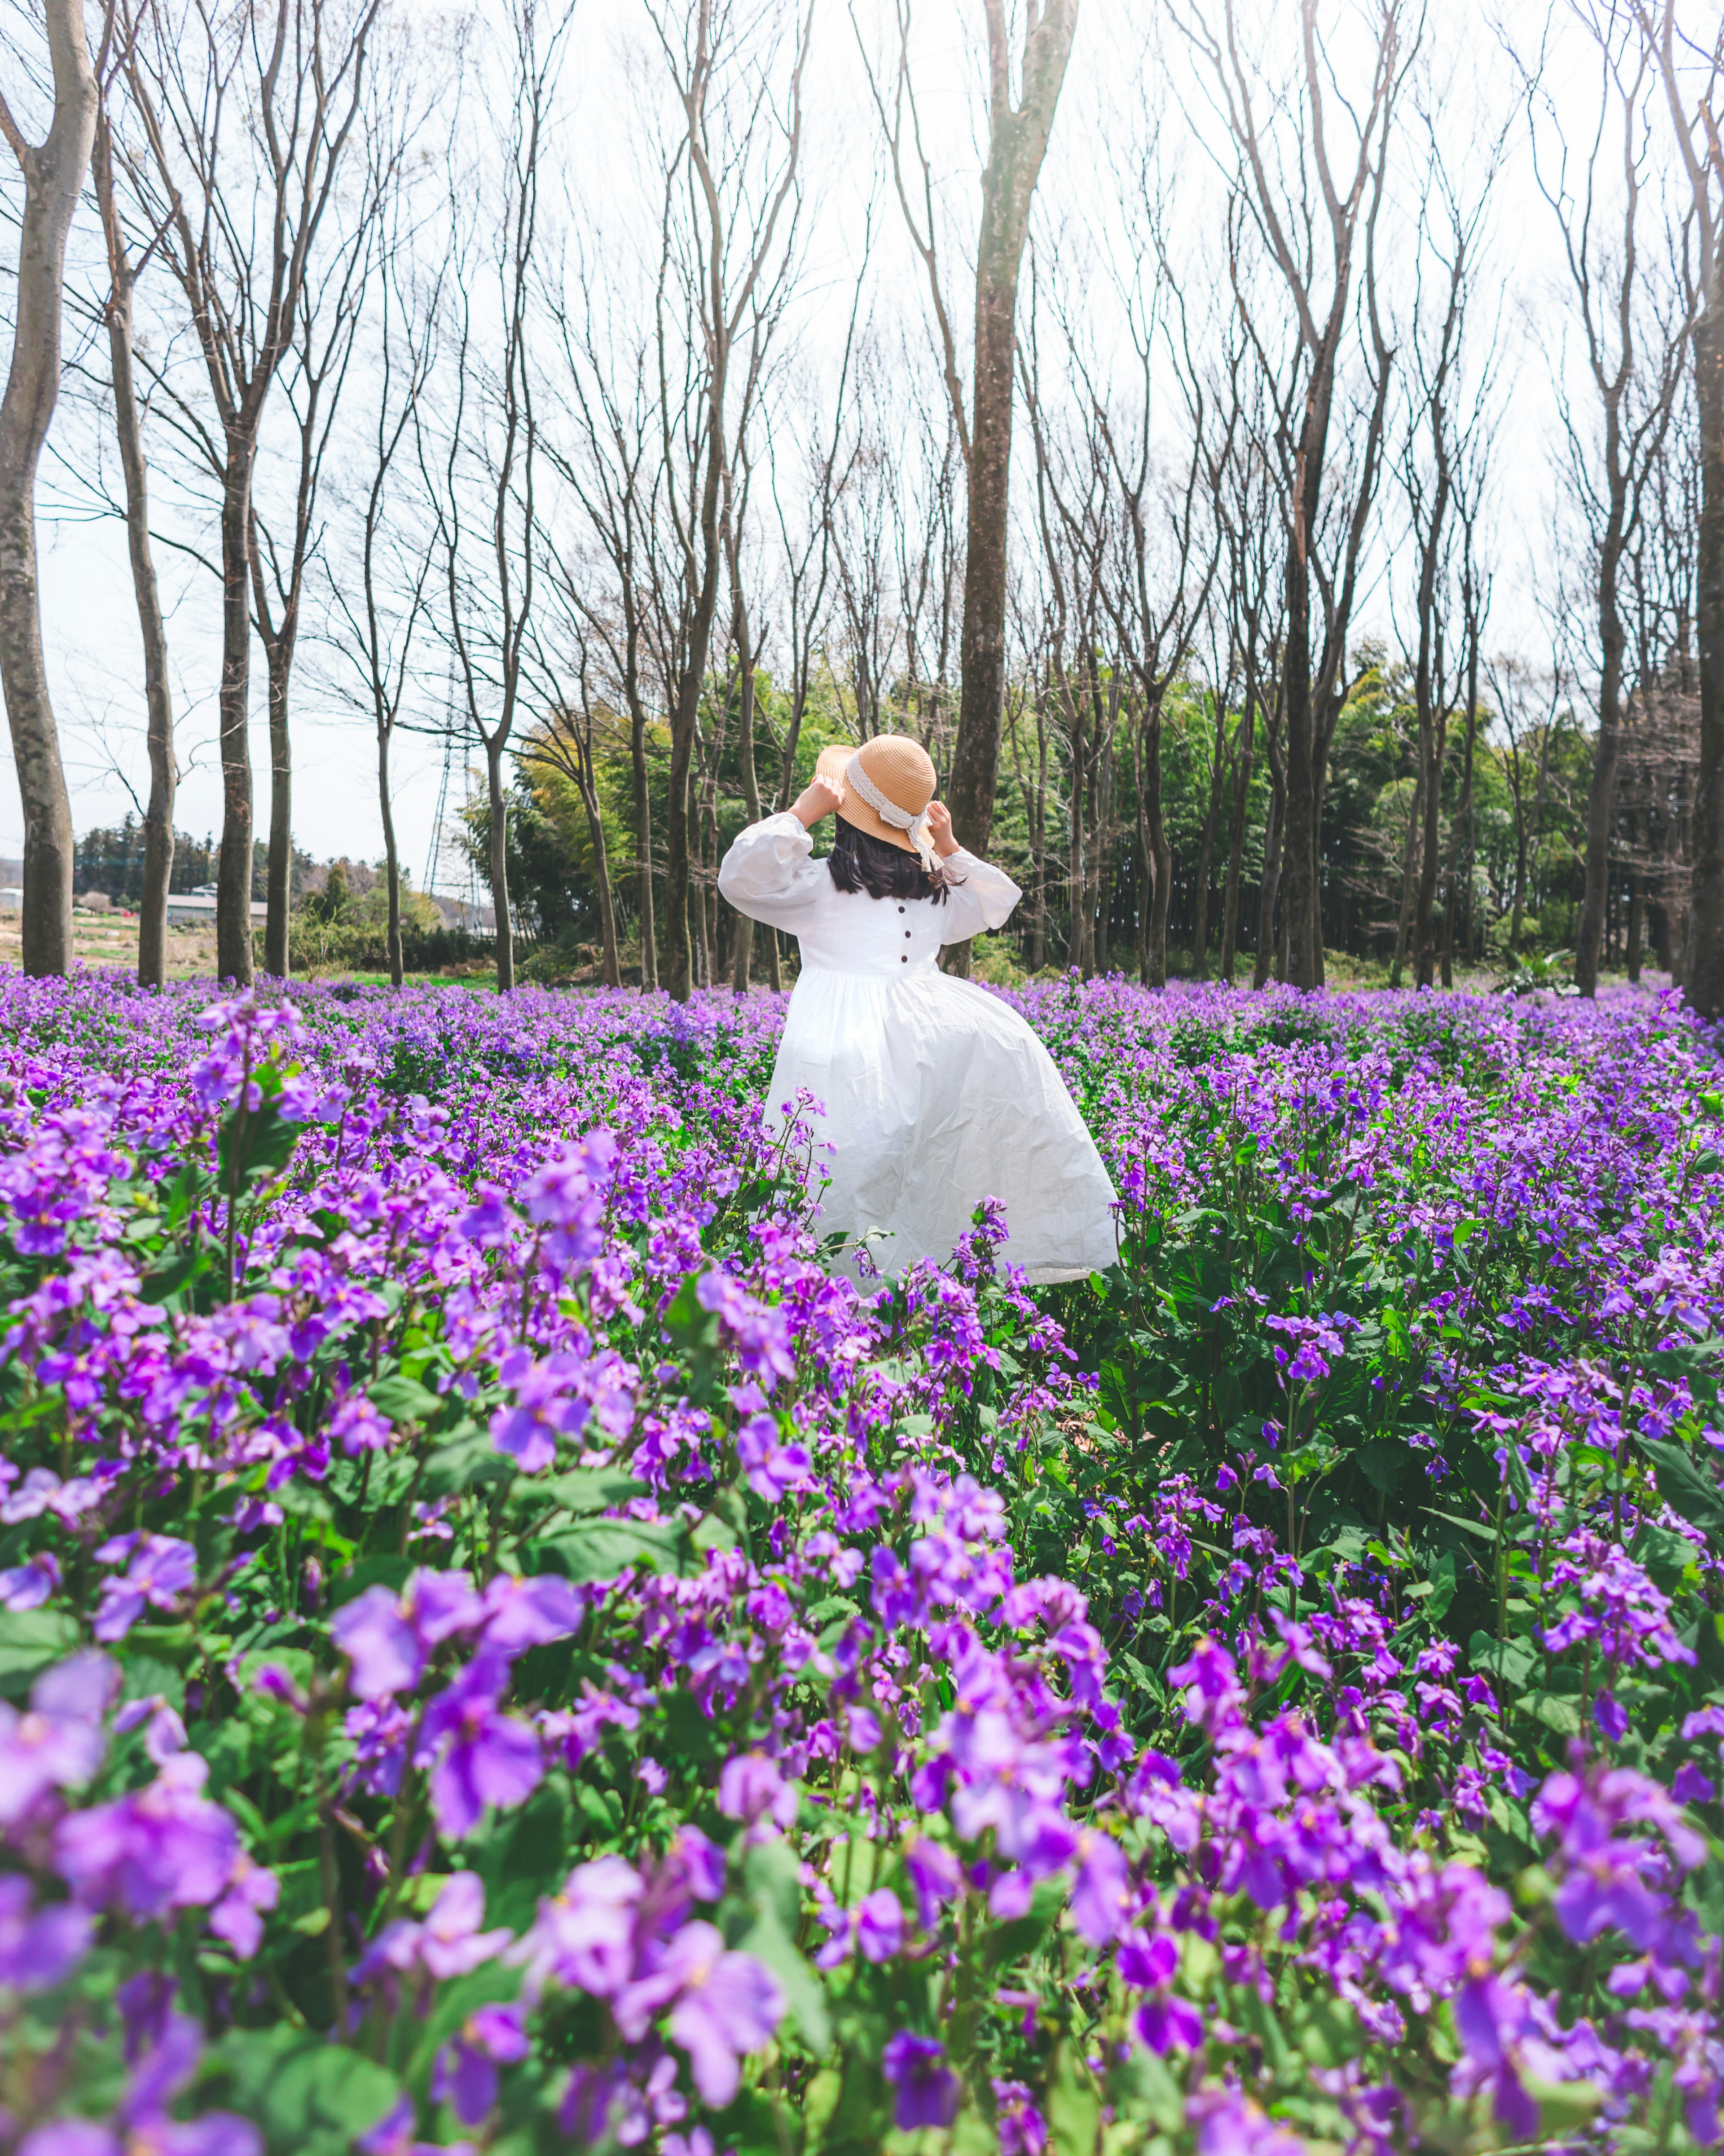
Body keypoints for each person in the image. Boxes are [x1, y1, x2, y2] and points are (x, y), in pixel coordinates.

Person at [717, 733, 1118, 1283]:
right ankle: (924, 1289)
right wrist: (948, 846)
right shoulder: (934, 890)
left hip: (844, 1042)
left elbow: (741, 878)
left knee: (846, 1166)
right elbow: (992, 901)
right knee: (926, 1162)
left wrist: (799, 813)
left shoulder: (819, 887)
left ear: (847, 815)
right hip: (935, 1033)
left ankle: (835, 1300)